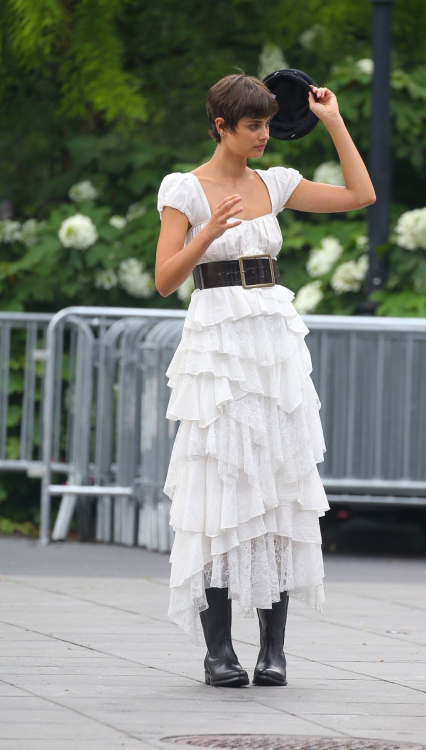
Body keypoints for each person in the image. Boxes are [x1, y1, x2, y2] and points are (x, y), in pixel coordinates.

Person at [155, 73, 376, 688]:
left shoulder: (274, 183)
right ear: (222, 126)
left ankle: (273, 648)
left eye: (268, 124)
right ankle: (218, 650)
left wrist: (332, 120)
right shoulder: (185, 188)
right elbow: (165, 278)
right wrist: (208, 232)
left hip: (274, 342)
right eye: (253, 126)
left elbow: (361, 195)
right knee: (224, 485)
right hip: (218, 345)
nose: (264, 136)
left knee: (278, 483)